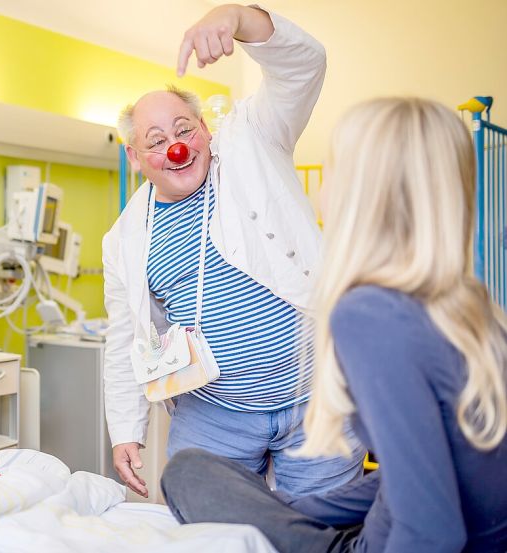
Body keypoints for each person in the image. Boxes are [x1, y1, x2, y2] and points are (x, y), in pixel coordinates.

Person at [161, 98, 507, 552]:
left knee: (187, 473)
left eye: (331, 168)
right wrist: (293, 513)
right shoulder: (474, 306)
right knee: (196, 467)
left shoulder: (369, 315)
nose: (320, 187)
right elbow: (422, 480)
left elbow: (432, 531)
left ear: (363, 191)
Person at [104, 3, 363, 499]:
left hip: (313, 400)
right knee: (207, 533)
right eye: (156, 141)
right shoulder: (124, 238)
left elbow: (304, 65)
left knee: (321, 532)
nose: (176, 147)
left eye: (184, 129)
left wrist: (239, 17)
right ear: (135, 157)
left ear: (204, 128)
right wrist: (125, 432)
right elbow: (125, 341)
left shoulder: (253, 142)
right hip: (211, 417)